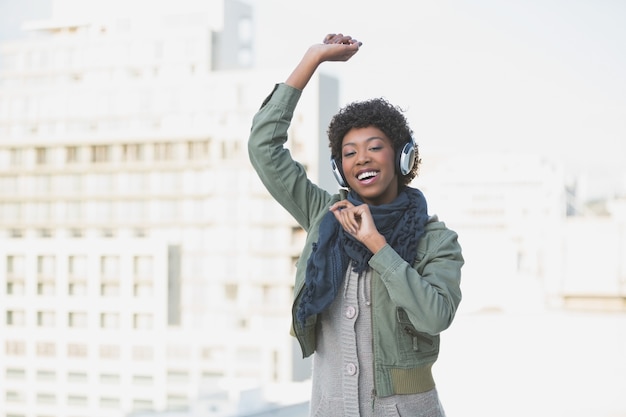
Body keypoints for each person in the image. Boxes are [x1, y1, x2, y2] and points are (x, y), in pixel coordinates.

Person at [248, 33, 463, 417]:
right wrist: (312, 59)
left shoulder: (437, 240)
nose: (362, 159)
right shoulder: (325, 216)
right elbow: (263, 147)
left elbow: (435, 316)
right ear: (340, 168)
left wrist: (379, 247)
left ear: (402, 157)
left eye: (374, 147)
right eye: (349, 153)